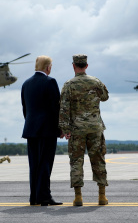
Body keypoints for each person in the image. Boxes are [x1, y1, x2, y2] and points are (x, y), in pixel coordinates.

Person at [59, 54, 109, 206]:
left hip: (76, 129)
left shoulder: (69, 85)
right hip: (95, 128)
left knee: (76, 161)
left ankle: (78, 197)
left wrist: (65, 129)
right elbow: (105, 97)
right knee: (98, 160)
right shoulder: (96, 82)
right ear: (86, 65)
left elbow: (63, 109)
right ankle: (101, 196)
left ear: (73, 65)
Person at [21, 55, 63, 206]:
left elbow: (25, 109)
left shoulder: (26, 83)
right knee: (45, 163)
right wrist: (61, 128)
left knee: (34, 165)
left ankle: (34, 197)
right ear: (48, 67)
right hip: (47, 130)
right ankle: (44, 196)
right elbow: (56, 108)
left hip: (31, 129)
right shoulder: (50, 82)